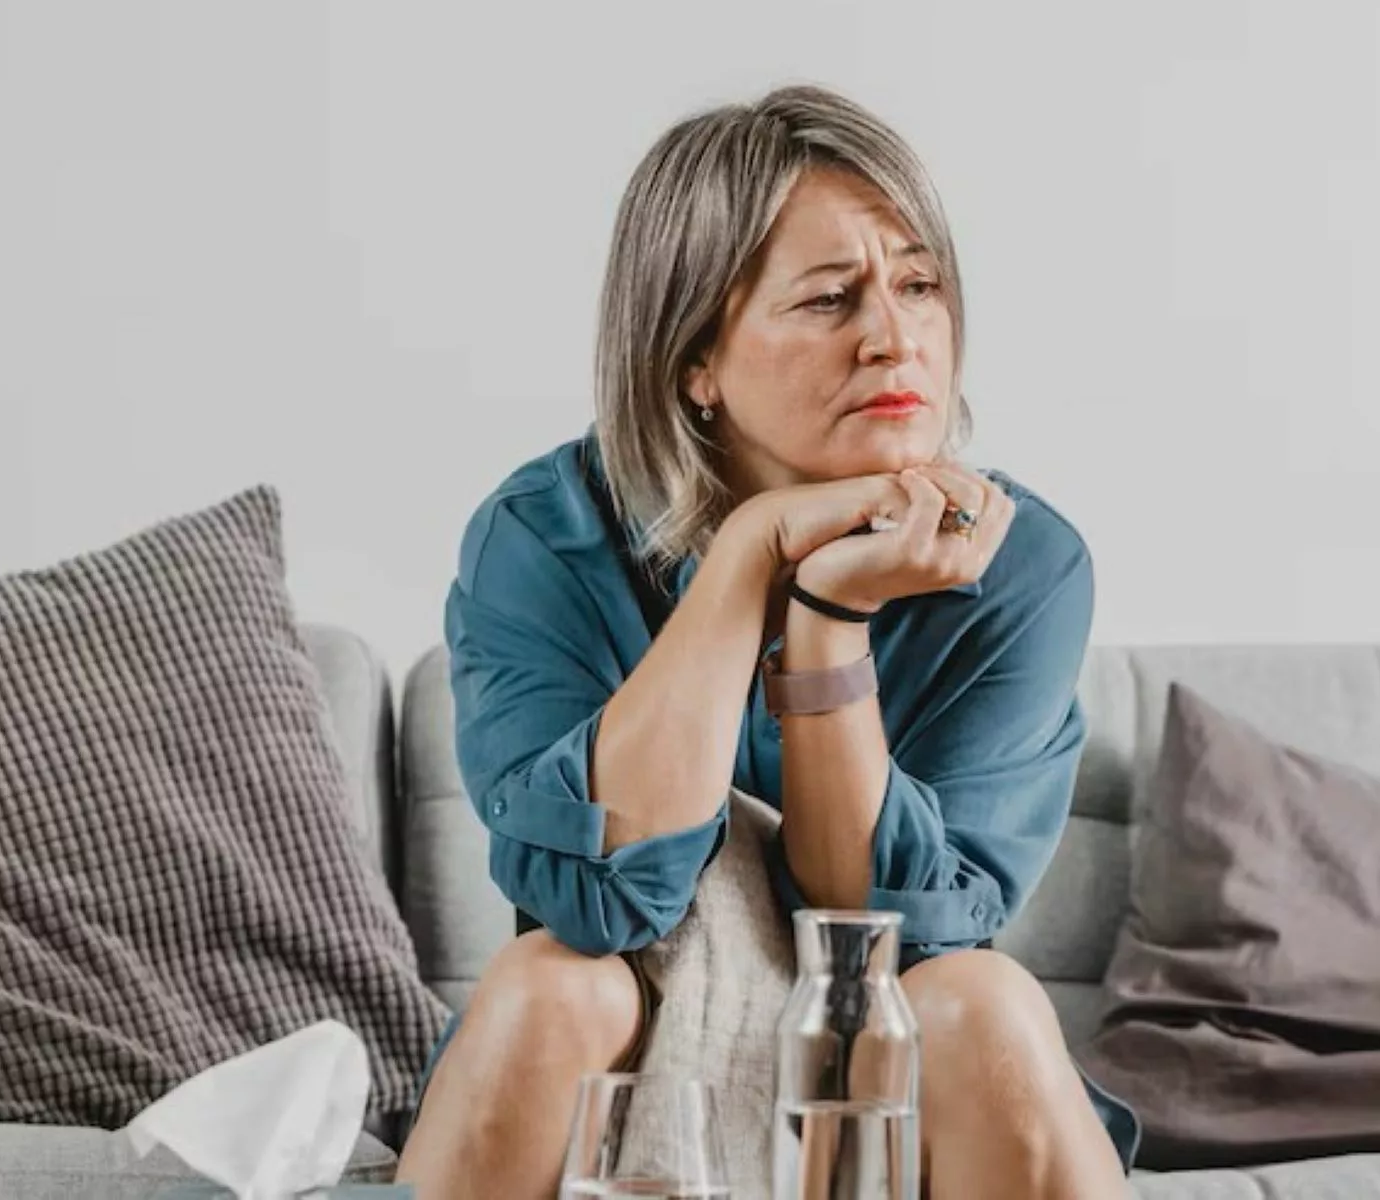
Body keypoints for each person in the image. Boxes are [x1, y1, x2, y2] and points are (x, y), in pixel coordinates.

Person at [395, 84, 1139, 1199]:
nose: (895, 338)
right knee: (554, 985)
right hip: (623, 1061)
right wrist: (749, 557)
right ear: (694, 358)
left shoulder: (1018, 563)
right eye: (830, 299)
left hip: (894, 1083)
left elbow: (890, 938)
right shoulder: (541, 539)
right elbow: (599, 903)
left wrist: (828, 621)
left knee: (980, 1001)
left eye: (919, 285)